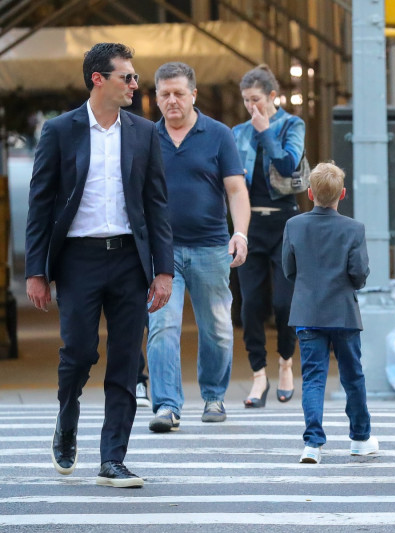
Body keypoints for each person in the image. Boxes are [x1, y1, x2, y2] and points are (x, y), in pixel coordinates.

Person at [25, 42, 173, 488]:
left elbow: (157, 205)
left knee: (127, 360)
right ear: (98, 79)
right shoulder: (60, 130)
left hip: (130, 259)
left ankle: (113, 458)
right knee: (79, 352)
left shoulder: (145, 132)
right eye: (126, 76)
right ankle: (67, 415)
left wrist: (163, 270)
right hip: (78, 260)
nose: (134, 84)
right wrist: (37, 271)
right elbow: (40, 204)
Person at [146, 62, 250, 432]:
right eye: (164, 94)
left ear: (194, 94)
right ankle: (167, 406)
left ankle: (213, 396)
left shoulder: (219, 135)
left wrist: (240, 233)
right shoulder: (145, 137)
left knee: (218, 329)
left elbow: (236, 190)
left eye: (178, 93)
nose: (172, 100)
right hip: (162, 252)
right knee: (162, 326)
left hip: (210, 247)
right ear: (156, 98)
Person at [282, 162, 378, 464]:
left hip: (307, 312)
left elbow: (288, 269)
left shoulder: (293, 226)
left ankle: (312, 443)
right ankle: (360, 438)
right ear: (343, 194)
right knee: (353, 376)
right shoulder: (354, 229)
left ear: (310, 193)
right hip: (344, 313)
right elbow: (359, 273)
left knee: (313, 377)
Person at [233, 65, 304, 407]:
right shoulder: (237, 132)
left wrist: (266, 132)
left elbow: (289, 166)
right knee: (251, 304)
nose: (252, 108)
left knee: (284, 302)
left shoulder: (292, 124)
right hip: (249, 224)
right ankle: (259, 374)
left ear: (273, 96)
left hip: (284, 223)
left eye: (257, 100)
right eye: (247, 101)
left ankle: (286, 363)